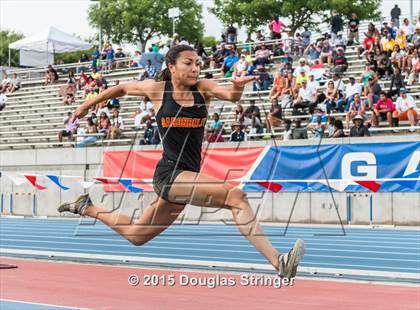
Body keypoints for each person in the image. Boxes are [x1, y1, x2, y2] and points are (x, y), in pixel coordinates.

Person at [58, 44, 304, 279]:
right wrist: (83, 107)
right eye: (188, 63)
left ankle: (87, 207)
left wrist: (237, 87)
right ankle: (278, 261)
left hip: (187, 175)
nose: (195, 68)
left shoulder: (203, 88)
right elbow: (121, 87)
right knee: (236, 197)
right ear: (172, 67)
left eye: (198, 63)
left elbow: (230, 96)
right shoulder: (158, 90)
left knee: (136, 235)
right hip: (169, 174)